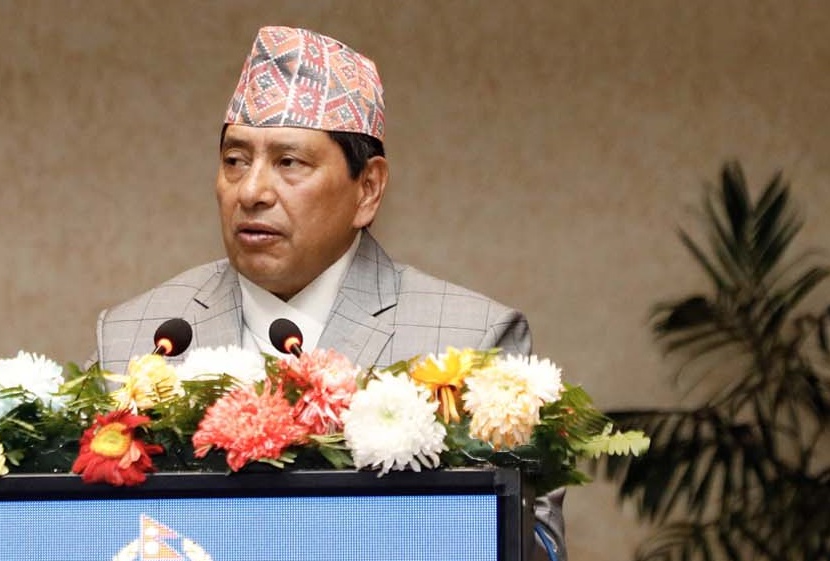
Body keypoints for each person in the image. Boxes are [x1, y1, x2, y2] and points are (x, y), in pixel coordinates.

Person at [92, 26, 566, 561]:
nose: (252, 191)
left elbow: (537, 543)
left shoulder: (470, 340)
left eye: (289, 163)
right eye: (235, 160)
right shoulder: (136, 337)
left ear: (368, 189)